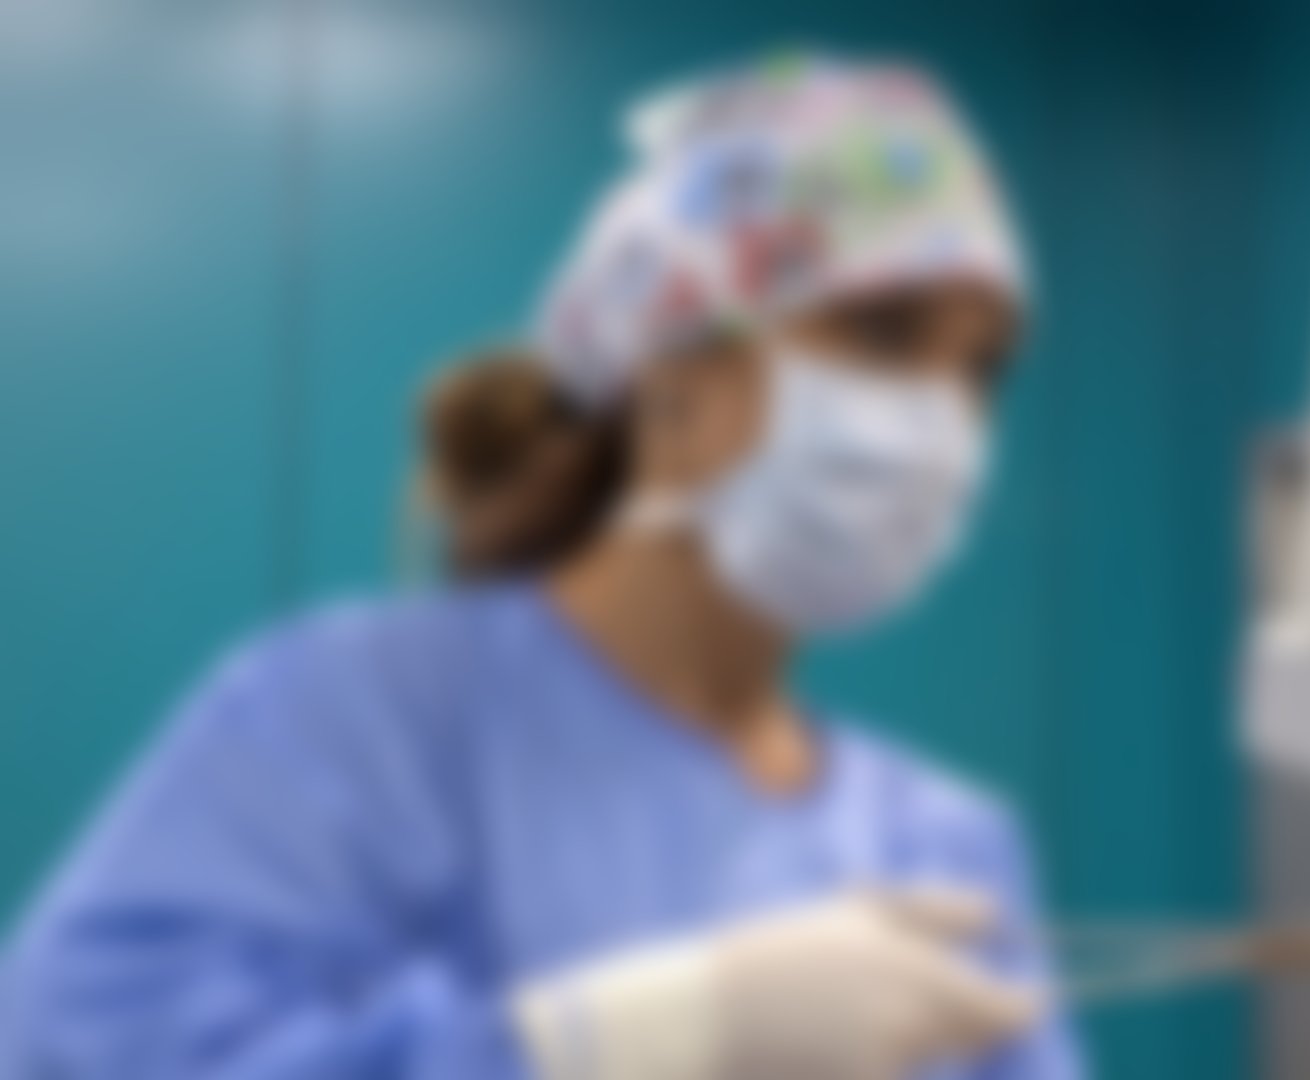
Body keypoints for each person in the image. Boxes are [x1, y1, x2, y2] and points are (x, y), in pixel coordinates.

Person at [0, 54, 1084, 1080]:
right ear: (673, 383)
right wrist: (618, 1039)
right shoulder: (365, 719)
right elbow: (78, 1044)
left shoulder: (944, 845)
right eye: (885, 336)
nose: (945, 421)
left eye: (983, 370)